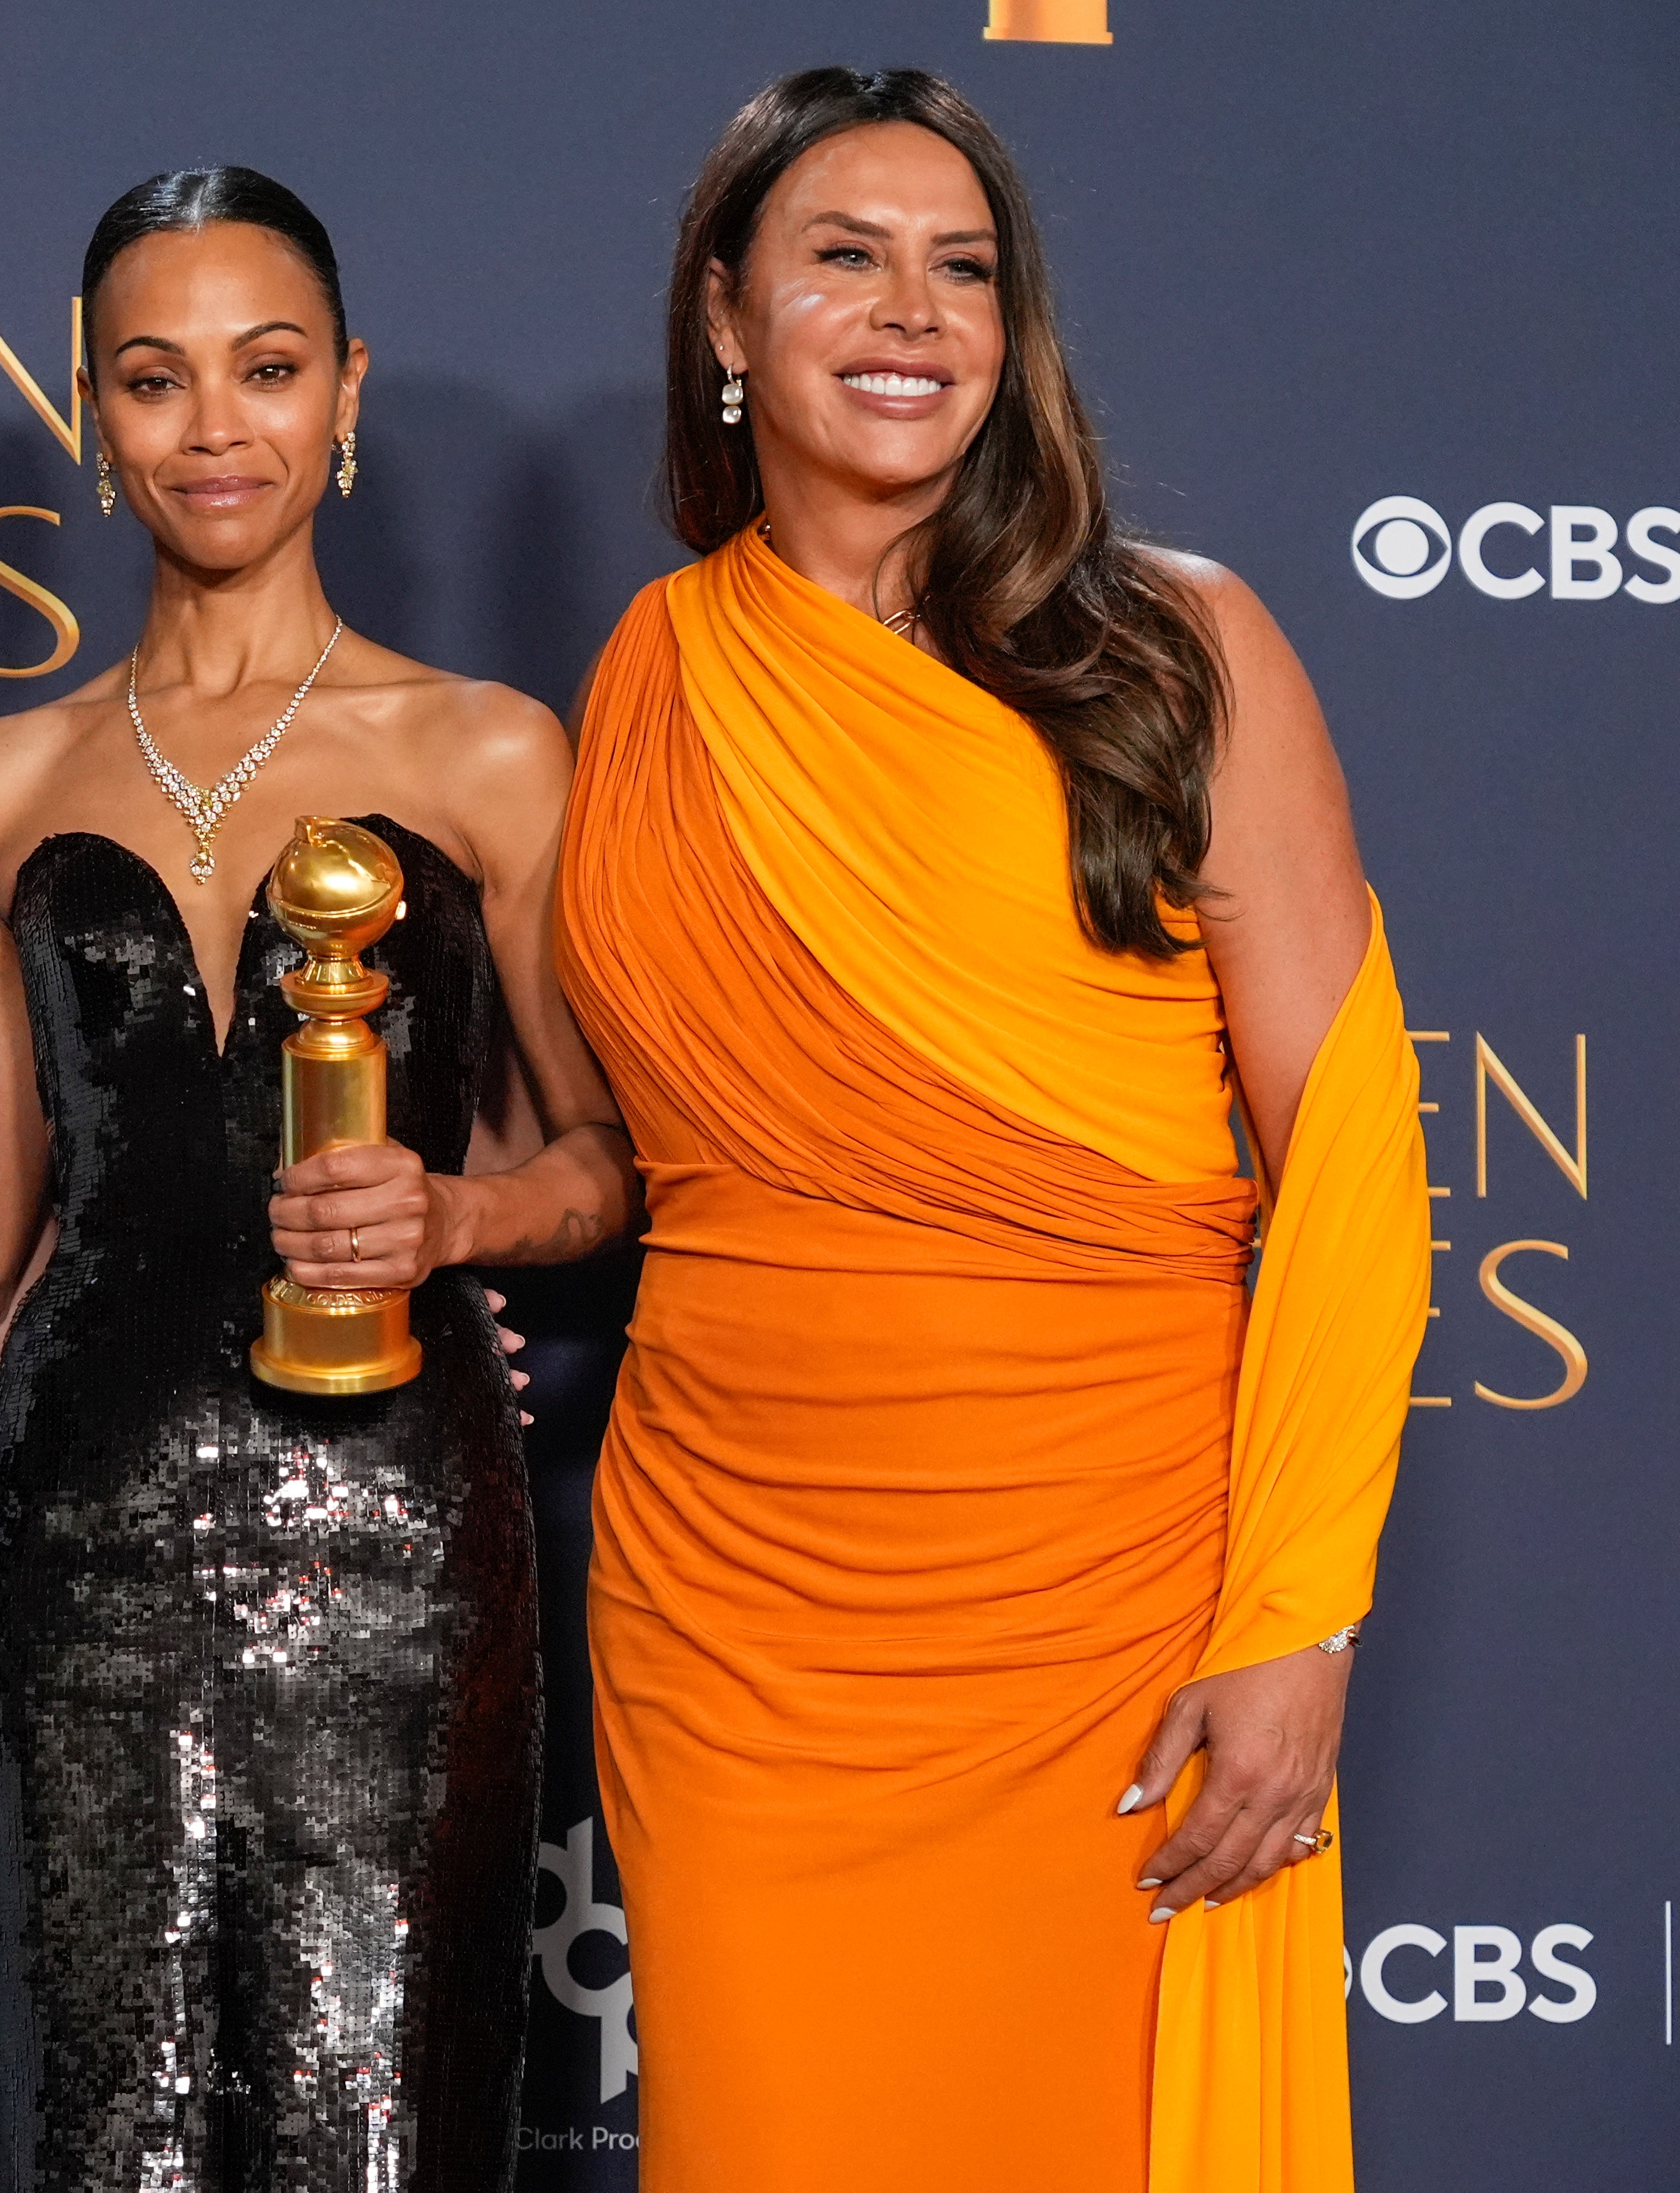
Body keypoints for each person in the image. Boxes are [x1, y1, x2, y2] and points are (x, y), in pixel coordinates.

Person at [551, 68, 1432, 2192]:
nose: (910, 309)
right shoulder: (656, 674)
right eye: (843, 257)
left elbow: (1353, 1151)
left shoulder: (1182, 647)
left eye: (964, 270)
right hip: (737, 1631)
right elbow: (650, 1144)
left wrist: (1293, 1621)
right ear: (727, 320)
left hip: (1108, 1611)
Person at [0, 169, 640, 2193]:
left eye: (267, 368)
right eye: (155, 379)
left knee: (377, 2110)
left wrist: (464, 1220)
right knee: (100, 2117)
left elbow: (602, 1169)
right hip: (80, 1530)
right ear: (92, 410)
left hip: (400, 1532)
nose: (212, 426)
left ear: (348, 398)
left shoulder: (492, 752)